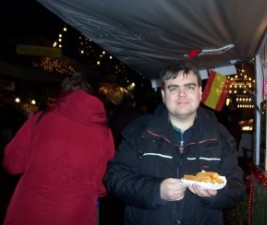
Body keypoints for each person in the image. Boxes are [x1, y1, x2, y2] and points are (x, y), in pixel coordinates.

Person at [104, 62, 246, 225]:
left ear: (200, 92)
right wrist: (156, 190)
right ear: (163, 95)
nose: (182, 94)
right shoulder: (139, 132)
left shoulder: (220, 136)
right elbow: (114, 178)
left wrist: (216, 195)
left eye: (190, 87)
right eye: (173, 88)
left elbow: (236, 186)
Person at [2, 72, 115, 225]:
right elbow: (99, 179)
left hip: (31, 208)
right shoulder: (104, 133)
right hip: (78, 211)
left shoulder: (39, 119)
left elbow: (12, 164)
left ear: (62, 94)